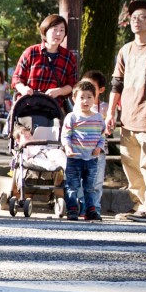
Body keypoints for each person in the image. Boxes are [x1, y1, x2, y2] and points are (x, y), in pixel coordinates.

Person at [106, 0, 146, 222]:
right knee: (131, 166)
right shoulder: (125, 50)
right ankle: (139, 205)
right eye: (133, 17)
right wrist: (111, 113)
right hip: (128, 119)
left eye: (142, 17)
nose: (136, 21)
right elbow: (116, 84)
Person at [11, 14, 78, 107]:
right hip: (28, 104)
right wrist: (23, 89)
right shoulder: (31, 52)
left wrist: (58, 91)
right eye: (55, 29)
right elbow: (17, 78)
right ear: (45, 31)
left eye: (62, 30)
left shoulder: (68, 57)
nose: (58, 33)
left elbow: (72, 84)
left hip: (54, 107)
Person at [61, 80, 105, 221]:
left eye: (89, 97)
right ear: (74, 99)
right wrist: (67, 148)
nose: (85, 101)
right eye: (81, 97)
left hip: (91, 159)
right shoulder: (72, 117)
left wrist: (99, 147)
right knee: (72, 186)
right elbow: (66, 135)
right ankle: (72, 209)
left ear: (95, 98)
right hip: (75, 158)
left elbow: (102, 136)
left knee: (90, 187)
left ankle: (90, 210)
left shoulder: (98, 118)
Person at [80, 69, 109, 217]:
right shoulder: (77, 108)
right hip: (80, 150)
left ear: (101, 90)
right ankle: (81, 206)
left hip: (98, 151)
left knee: (96, 181)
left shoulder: (104, 108)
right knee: (80, 180)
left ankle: (95, 207)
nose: (87, 90)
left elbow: (107, 129)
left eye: (91, 87)